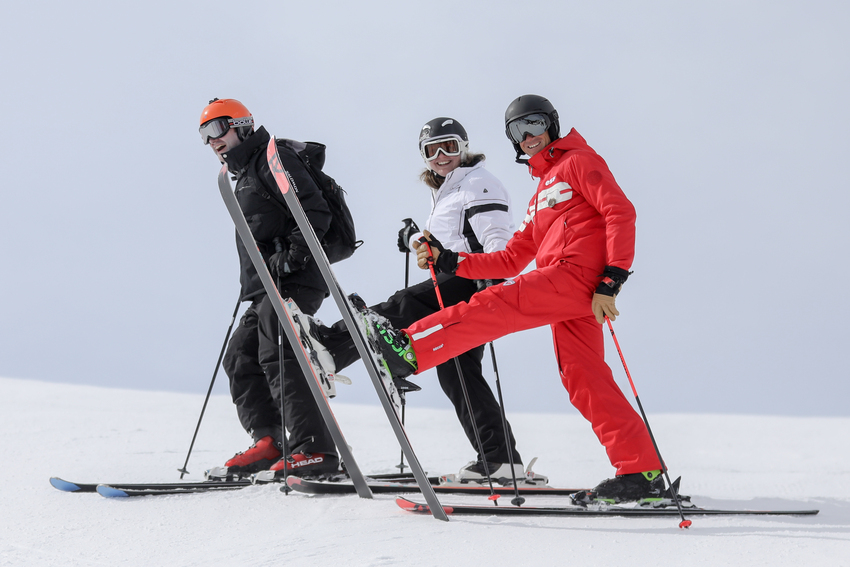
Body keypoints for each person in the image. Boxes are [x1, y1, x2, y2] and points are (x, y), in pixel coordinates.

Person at [364, 95, 666, 503]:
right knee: (583, 378)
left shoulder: (578, 162)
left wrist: (612, 278)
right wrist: (450, 259)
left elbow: (620, 211)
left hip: (575, 278)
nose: (527, 137)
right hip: (574, 293)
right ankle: (640, 472)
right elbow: (509, 259)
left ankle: (409, 350)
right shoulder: (543, 189)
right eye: (516, 131)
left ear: (552, 125)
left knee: (495, 305)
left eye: (535, 125)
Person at [304, 117, 533, 482]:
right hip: (461, 278)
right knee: (459, 373)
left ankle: (331, 348)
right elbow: (453, 239)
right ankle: (501, 459)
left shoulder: (477, 181)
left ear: (464, 147)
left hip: (470, 281)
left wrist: (490, 283)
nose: (441, 156)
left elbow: (495, 238)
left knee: (400, 308)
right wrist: (416, 241)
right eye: (432, 150)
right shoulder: (448, 188)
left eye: (450, 147)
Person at [199, 98, 339, 478]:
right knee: (240, 356)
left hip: (297, 277)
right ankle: (270, 441)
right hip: (266, 287)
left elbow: (313, 211)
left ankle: (315, 447)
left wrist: (290, 258)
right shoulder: (245, 174)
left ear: (242, 125)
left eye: (217, 128)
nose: (211, 140)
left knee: (278, 349)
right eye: (203, 134)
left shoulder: (273, 159)